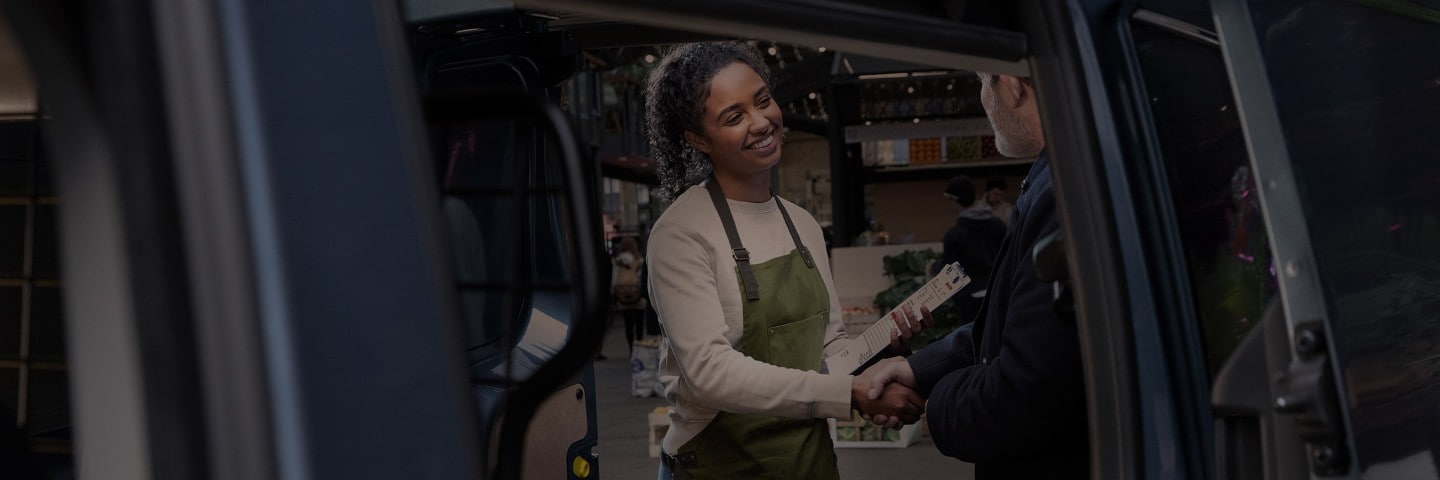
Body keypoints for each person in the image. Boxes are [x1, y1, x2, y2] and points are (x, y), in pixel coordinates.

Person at [643, 42, 929, 480]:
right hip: (719, 465)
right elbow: (710, 375)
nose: (761, 122)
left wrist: (879, 359)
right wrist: (849, 395)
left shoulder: (802, 224)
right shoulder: (681, 233)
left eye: (762, 101)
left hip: (805, 460)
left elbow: (828, 348)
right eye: (734, 116)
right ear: (698, 139)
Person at [858, 71, 1089, 477]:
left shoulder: (1062, 193)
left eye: (984, 83)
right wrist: (916, 370)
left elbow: (1027, 392)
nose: (984, 100)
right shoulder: (1054, 173)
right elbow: (1002, 334)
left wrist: (931, 405)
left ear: (1014, 84)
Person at [936, 175, 1008, 324]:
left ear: (955, 201)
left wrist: (933, 268)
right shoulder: (998, 225)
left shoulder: (954, 234)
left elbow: (948, 273)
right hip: (998, 295)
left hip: (970, 300)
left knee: (974, 344)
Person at [611, 236, 648, 354]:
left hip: (623, 295)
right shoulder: (640, 261)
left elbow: (614, 279)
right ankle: (639, 347)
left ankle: (631, 349)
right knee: (639, 323)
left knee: (628, 323)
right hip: (637, 296)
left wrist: (614, 292)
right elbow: (643, 278)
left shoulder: (617, 261)